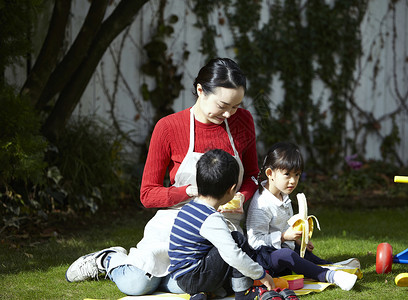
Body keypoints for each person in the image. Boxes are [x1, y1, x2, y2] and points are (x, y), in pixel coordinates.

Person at [65, 58, 260, 296]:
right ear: (200, 90)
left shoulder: (243, 122)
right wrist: (190, 191)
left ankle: (175, 277)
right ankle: (109, 259)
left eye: (236, 106)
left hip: (221, 223)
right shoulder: (169, 127)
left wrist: (240, 197)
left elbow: (252, 175)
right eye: (223, 105)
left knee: (188, 286)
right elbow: (147, 194)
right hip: (175, 222)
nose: (229, 114)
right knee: (136, 285)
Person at [168, 148, 299, 300]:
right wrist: (261, 274)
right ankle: (243, 293)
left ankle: (205, 292)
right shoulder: (211, 218)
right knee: (236, 239)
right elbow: (233, 255)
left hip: (182, 277)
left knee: (225, 244)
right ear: (232, 190)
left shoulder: (190, 208)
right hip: (195, 278)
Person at [246, 141, 359, 291]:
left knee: (302, 252)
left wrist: (298, 240)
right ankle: (330, 275)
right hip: (264, 259)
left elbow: (285, 225)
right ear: (270, 173)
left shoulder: (283, 195)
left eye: (297, 175)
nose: (293, 181)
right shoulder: (261, 204)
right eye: (287, 174)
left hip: (281, 248)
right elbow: (254, 242)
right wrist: (284, 236)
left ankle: (331, 266)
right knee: (286, 254)